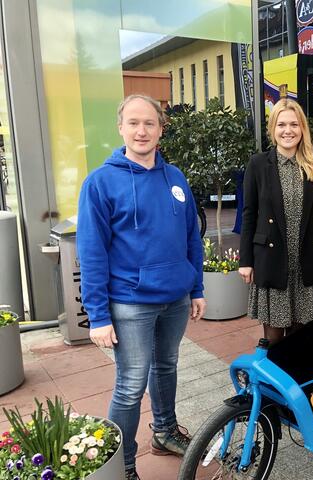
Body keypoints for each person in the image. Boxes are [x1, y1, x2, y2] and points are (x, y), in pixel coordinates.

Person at [77, 94, 206, 480]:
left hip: (175, 299)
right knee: (131, 385)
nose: (141, 130)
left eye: (149, 123)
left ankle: (164, 432)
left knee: (166, 367)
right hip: (130, 304)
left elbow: (191, 239)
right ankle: (123, 465)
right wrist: (98, 315)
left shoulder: (175, 178)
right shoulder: (100, 183)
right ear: (120, 128)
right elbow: (92, 252)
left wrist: (196, 288)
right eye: (133, 123)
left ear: (161, 130)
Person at [239, 98, 313, 344]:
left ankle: (299, 379)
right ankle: (274, 383)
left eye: (294, 124)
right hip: (272, 259)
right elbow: (249, 214)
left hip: (307, 258)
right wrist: (245, 261)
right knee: (274, 337)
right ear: (273, 129)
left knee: (302, 336)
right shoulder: (258, 164)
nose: (288, 131)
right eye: (281, 124)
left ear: (302, 128)